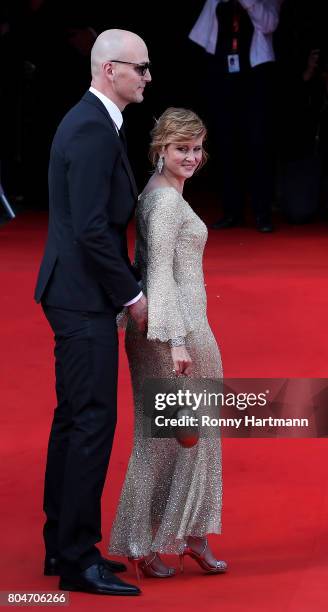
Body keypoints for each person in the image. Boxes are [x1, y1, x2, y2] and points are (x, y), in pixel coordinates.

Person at [34, 29, 151, 596]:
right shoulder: (91, 128)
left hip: (75, 293)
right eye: (142, 68)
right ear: (111, 71)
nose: (148, 78)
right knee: (90, 424)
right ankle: (79, 559)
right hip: (82, 298)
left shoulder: (94, 123)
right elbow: (90, 229)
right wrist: (132, 294)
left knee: (74, 420)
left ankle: (62, 547)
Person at [109, 108, 227, 578]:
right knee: (161, 441)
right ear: (160, 149)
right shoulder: (162, 204)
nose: (192, 157)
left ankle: (189, 535)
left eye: (197, 148)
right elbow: (156, 276)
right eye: (182, 148)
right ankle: (143, 540)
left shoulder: (163, 194)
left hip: (179, 328)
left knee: (191, 439)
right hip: (175, 334)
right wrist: (177, 341)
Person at [188, 0, 281, 233]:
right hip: (223, 71)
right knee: (226, 143)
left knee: (257, 144)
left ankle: (262, 212)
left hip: (255, 75)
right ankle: (232, 211)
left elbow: (270, 24)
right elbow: (201, 33)